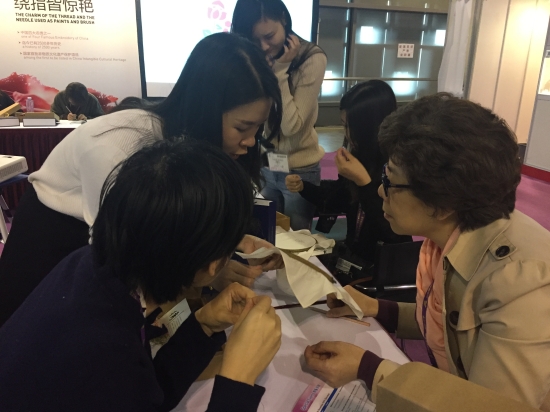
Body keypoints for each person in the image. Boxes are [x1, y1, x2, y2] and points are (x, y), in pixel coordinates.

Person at [0, 32, 283, 328]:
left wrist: (228, 242)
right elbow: (117, 266)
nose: (251, 141)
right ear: (205, 110)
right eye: (242, 128)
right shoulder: (123, 147)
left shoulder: (182, 145)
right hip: (56, 240)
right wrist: (205, 275)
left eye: (258, 128)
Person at [303, 93, 550, 411]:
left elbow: (492, 406)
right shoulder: (447, 240)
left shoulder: (520, 283)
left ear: (443, 201)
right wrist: (377, 308)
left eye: (390, 180)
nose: (380, 190)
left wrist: (368, 368)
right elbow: (447, 321)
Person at [0, 139, 282, 411]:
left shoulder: (93, 266)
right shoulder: (103, 351)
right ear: (213, 265)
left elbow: (145, 394)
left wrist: (203, 325)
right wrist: (237, 379)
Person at [285, 80, 411, 281]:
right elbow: (337, 198)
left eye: (347, 125)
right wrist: (303, 187)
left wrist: (364, 183)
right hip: (354, 259)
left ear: (366, 126)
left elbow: (395, 232)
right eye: (343, 124)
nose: (345, 133)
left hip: (385, 271)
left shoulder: (399, 166)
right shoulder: (361, 156)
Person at [232, 0, 327, 230]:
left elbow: (291, 126)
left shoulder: (311, 58)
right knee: (265, 231)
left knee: (297, 238)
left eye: (269, 36)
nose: (263, 47)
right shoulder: (254, 56)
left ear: (283, 19)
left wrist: (280, 71)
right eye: (254, 40)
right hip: (267, 164)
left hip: (300, 170)